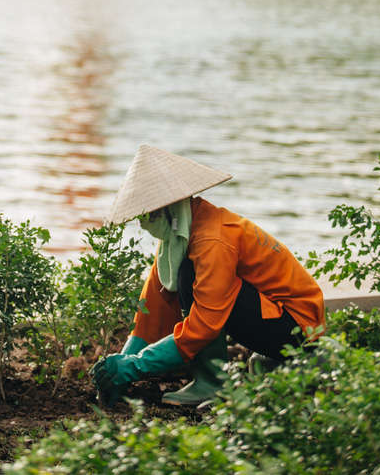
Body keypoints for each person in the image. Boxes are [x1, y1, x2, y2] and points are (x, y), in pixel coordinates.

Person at [90, 144, 325, 408]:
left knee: (195, 282)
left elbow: (205, 324)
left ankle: (213, 383)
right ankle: (266, 364)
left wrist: (136, 365)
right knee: (186, 275)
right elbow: (151, 310)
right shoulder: (179, 238)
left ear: (170, 209)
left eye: (148, 214)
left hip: (298, 327)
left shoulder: (212, 239)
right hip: (273, 319)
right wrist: (120, 369)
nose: (143, 223)